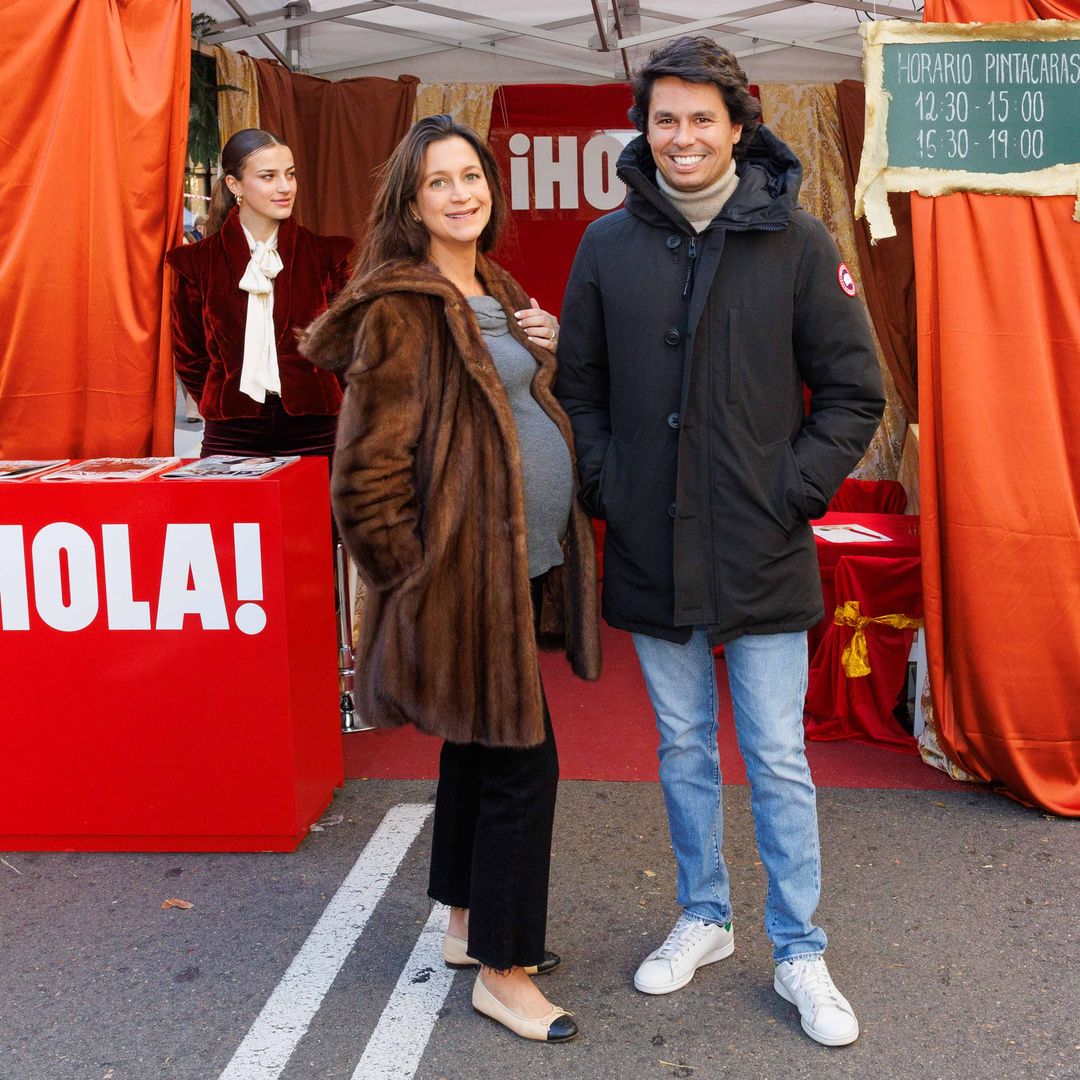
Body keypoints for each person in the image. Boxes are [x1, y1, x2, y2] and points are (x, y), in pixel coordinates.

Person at [556, 37, 884, 1047]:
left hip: (764, 547)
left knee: (778, 756)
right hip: (654, 549)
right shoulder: (606, 246)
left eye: (702, 118)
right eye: (665, 119)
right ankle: (705, 915)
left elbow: (853, 392)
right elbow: (581, 393)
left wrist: (790, 491)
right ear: (643, 129)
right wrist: (613, 486)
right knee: (685, 747)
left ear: (738, 126)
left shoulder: (795, 239)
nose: (683, 136)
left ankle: (798, 947)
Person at [300, 115, 600, 1044]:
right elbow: (363, 478)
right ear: (410, 202)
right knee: (525, 768)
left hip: (518, 567)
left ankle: (470, 925)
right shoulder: (404, 306)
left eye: (472, 176)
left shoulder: (493, 288)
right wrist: (414, 584)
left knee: (476, 749)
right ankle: (505, 975)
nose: (462, 193)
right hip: (463, 583)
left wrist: (543, 346)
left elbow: (504, 407)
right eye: (440, 183)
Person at [166, 129, 354, 462]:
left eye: (290, 174)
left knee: (319, 516)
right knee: (230, 513)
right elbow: (189, 353)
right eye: (268, 176)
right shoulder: (194, 263)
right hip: (231, 434)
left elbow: (348, 346)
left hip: (318, 430)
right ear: (234, 185)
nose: (285, 187)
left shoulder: (327, 255)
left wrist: (328, 397)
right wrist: (224, 396)